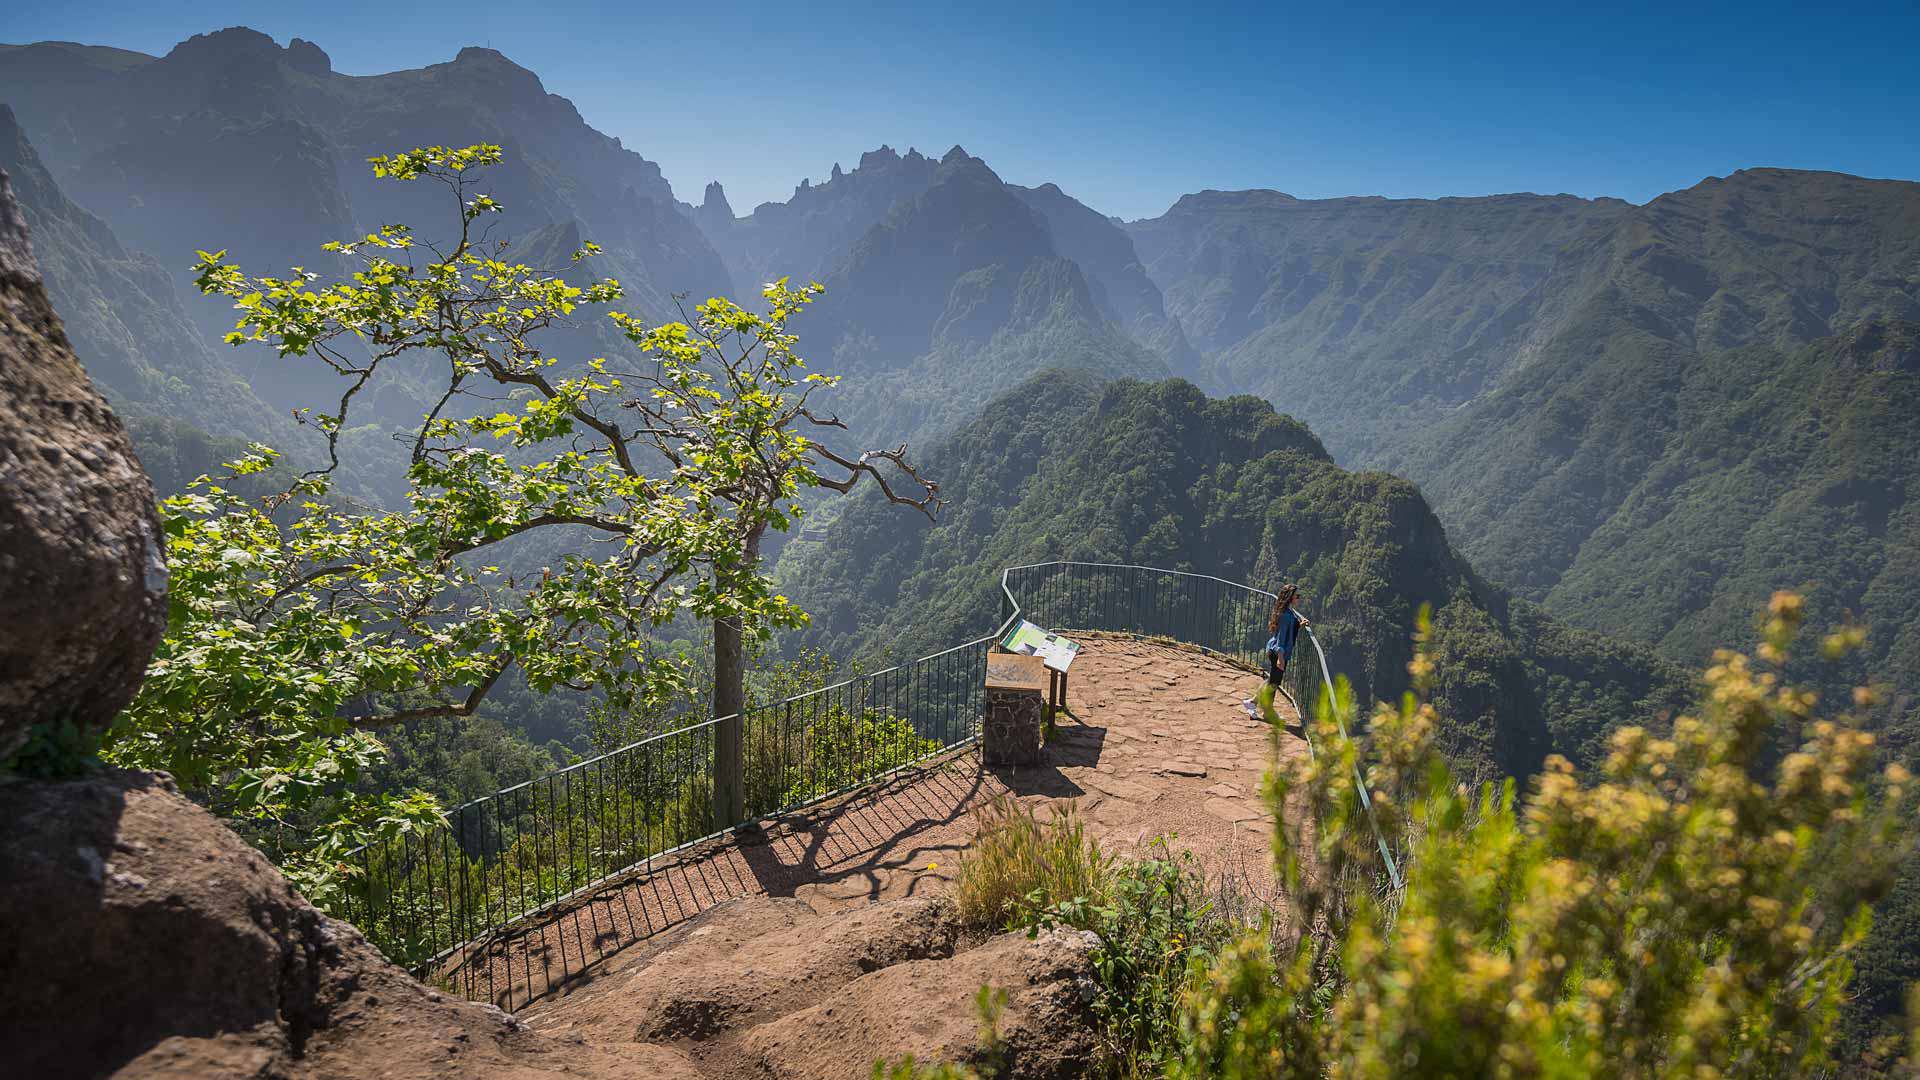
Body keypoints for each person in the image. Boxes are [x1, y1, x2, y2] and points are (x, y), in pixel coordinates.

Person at [1252, 584, 1309, 726]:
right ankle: (1263, 709)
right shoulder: (1285, 615)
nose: (1299, 598)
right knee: (1274, 683)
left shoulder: (1288, 612)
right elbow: (1281, 639)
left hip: (1276, 651)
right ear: (1290, 597)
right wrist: (1280, 658)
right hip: (1278, 652)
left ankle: (1255, 704)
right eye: (1297, 596)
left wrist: (1299, 624)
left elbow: (1288, 630)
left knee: (1273, 681)